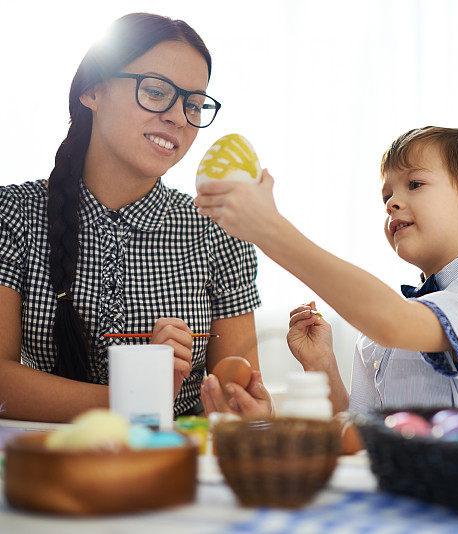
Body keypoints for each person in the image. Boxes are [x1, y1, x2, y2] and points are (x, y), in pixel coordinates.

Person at [0, 13, 270, 422]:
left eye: (194, 104)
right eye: (157, 91)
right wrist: (139, 395)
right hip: (40, 462)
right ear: (93, 90)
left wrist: (248, 406)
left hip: (172, 462)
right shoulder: (14, 215)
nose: (179, 117)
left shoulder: (220, 228)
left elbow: (236, 388)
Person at [195, 126, 458, 416]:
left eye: (415, 184)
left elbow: (394, 323)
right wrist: (322, 365)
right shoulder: (377, 334)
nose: (391, 202)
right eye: (387, 194)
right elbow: (357, 432)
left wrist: (271, 231)